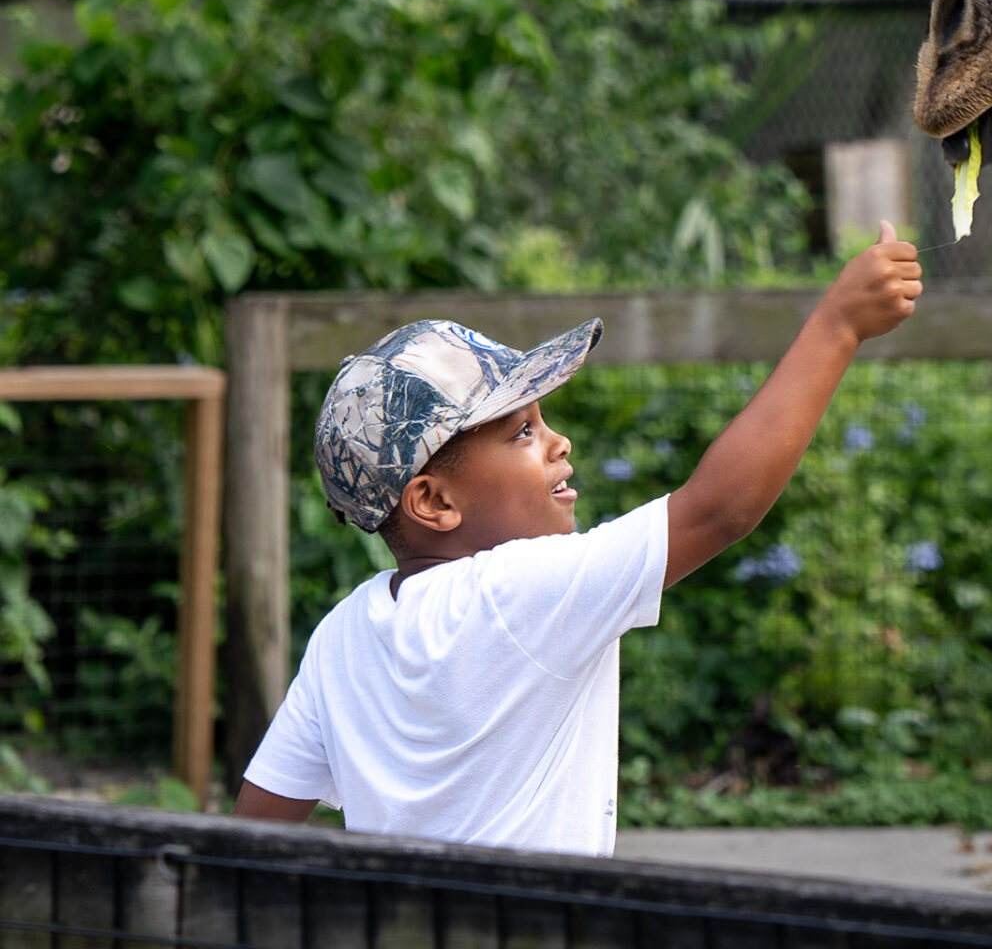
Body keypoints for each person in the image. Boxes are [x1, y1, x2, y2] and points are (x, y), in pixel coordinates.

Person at [232, 225, 922, 853]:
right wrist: (838, 326)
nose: (559, 441)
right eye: (522, 432)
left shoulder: (343, 636)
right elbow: (720, 510)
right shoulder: (525, 590)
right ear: (434, 501)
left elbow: (257, 830)